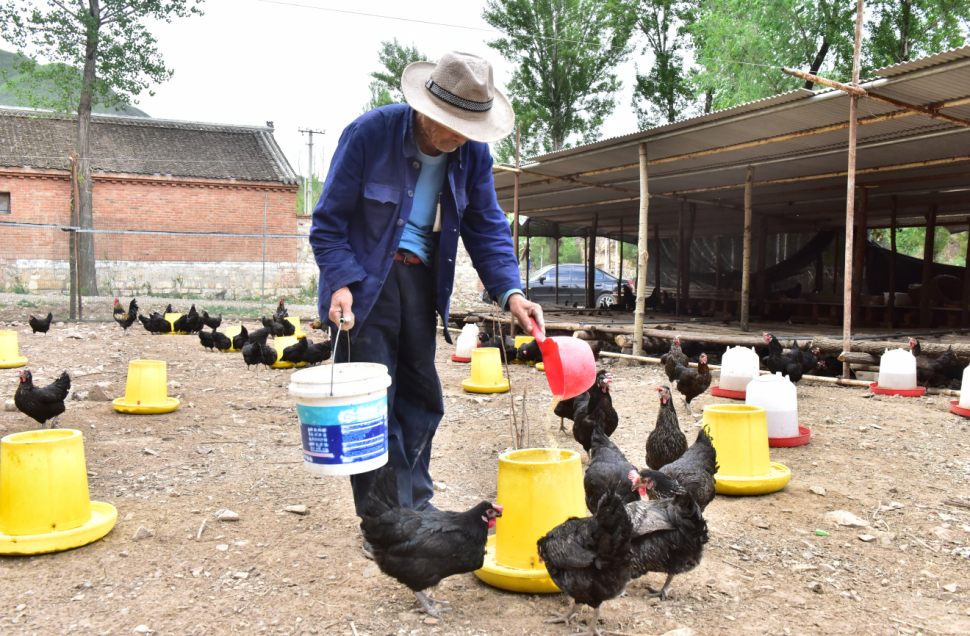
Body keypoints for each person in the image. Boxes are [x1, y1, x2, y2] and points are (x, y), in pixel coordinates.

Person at [309, 51, 544, 555]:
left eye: (469, 127)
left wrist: (512, 292)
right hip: (364, 284)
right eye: (452, 125)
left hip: (420, 283)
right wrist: (341, 284)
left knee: (422, 396)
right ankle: (383, 522)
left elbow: (486, 227)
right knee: (374, 409)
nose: (459, 137)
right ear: (425, 108)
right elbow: (327, 225)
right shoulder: (370, 134)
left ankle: (416, 508)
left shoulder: (472, 154)